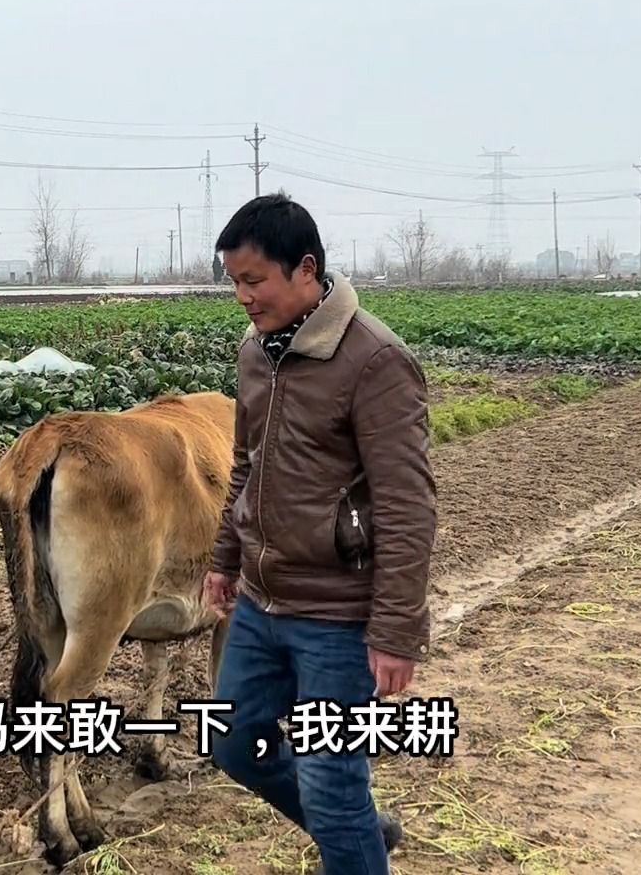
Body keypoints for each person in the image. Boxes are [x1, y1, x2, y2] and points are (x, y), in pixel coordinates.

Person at [202, 194, 436, 875]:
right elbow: (246, 465)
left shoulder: (374, 361)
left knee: (332, 790)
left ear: (306, 270)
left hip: (338, 617)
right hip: (262, 603)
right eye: (234, 282)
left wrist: (396, 631)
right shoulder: (256, 353)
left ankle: (350, 838)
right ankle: (358, 837)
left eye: (255, 281)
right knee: (234, 741)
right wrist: (224, 559)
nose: (243, 297)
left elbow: (407, 502)